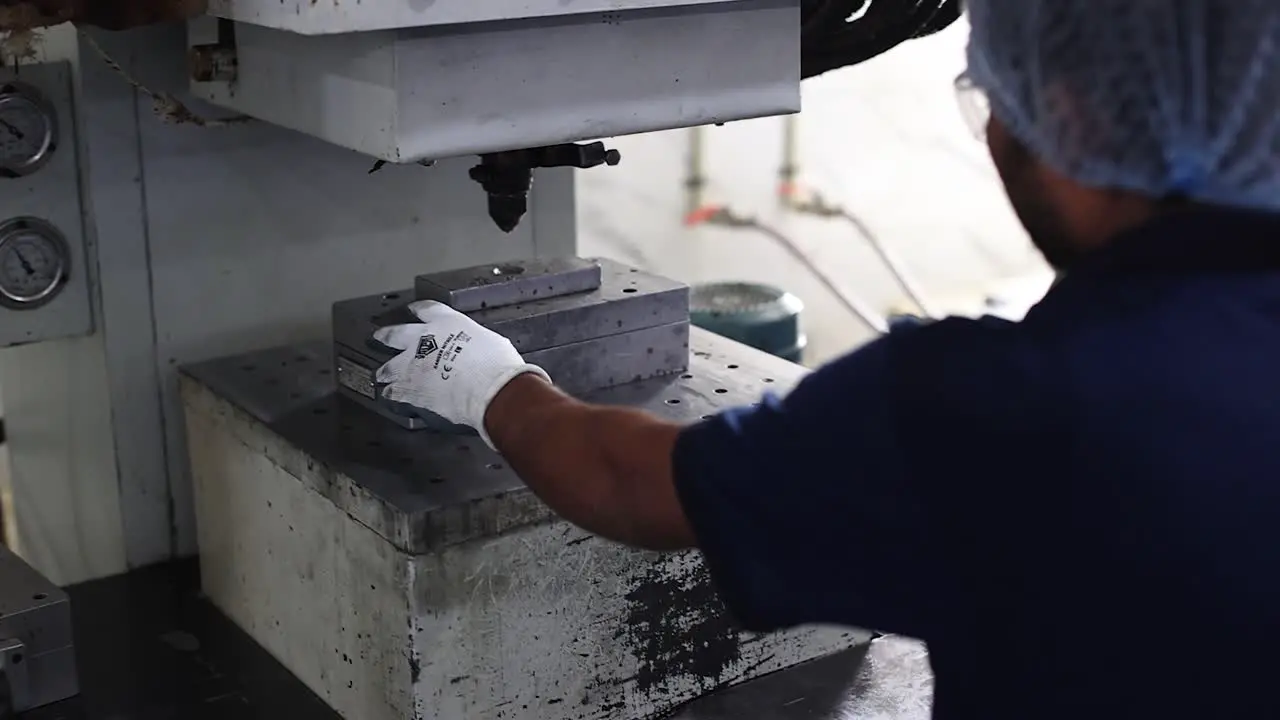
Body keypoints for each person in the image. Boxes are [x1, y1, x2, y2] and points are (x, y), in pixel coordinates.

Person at [371, 0, 1280, 716]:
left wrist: (491, 381)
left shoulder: (995, 410)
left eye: (998, 104)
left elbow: (632, 484)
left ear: (1074, 120)